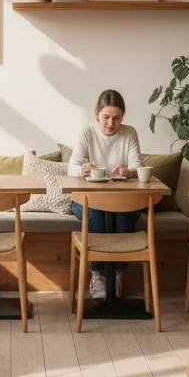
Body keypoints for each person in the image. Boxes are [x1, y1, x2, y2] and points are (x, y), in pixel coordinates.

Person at [67, 89, 144, 299]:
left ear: (122, 117)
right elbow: (71, 167)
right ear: (97, 114)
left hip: (122, 200)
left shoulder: (129, 133)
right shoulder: (87, 133)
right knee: (97, 214)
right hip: (88, 200)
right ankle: (97, 274)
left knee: (122, 215)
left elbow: (138, 166)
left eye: (117, 118)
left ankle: (117, 274)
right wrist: (82, 169)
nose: (111, 124)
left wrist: (129, 172)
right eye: (106, 117)